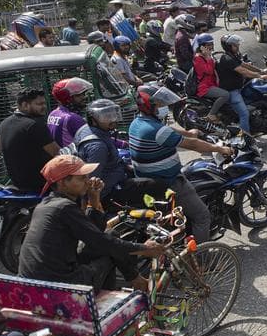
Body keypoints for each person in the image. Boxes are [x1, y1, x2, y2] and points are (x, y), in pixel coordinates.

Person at [19, 155, 167, 291]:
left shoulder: (46, 204)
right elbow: (100, 241)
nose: (88, 181)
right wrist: (143, 248)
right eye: (82, 178)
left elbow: (93, 232)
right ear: (63, 182)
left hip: (39, 280)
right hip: (60, 286)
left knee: (111, 235)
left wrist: (94, 198)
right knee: (110, 252)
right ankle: (114, 297)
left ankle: (137, 281)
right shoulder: (64, 207)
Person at [127, 84, 230, 243]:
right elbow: (193, 145)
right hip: (169, 183)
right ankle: (201, 259)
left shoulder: (137, 123)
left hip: (147, 181)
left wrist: (188, 133)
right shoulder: (157, 130)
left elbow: (168, 131)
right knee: (202, 216)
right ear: (149, 105)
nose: (163, 107)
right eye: (159, 104)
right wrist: (219, 148)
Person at [74, 99, 165, 208]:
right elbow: (91, 183)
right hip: (110, 192)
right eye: (106, 117)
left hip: (117, 175)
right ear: (93, 120)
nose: (113, 120)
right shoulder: (98, 147)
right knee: (158, 186)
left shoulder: (87, 129)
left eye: (113, 114)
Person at [0, 89, 60, 191]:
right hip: (41, 184)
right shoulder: (35, 125)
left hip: (16, 183)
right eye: (39, 104)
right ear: (25, 105)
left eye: (44, 103)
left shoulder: (4, 122)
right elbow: (57, 153)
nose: (44, 107)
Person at [217, 34, 267, 136]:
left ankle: (253, 127)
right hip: (232, 91)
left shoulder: (233, 56)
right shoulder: (227, 58)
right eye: (235, 45)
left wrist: (261, 71)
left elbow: (244, 65)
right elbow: (243, 71)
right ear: (228, 46)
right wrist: (259, 76)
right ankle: (245, 139)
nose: (237, 46)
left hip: (239, 88)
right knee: (244, 114)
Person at [191, 33, 231, 119]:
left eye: (211, 44)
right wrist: (208, 57)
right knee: (225, 95)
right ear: (202, 46)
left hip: (212, 83)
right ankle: (211, 114)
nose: (211, 46)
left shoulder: (206, 56)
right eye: (208, 45)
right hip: (204, 87)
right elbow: (209, 71)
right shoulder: (198, 59)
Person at [48, 77, 93, 148]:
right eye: (78, 95)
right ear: (66, 98)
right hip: (74, 157)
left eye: (83, 94)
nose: (83, 97)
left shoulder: (53, 113)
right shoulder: (72, 118)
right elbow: (93, 141)